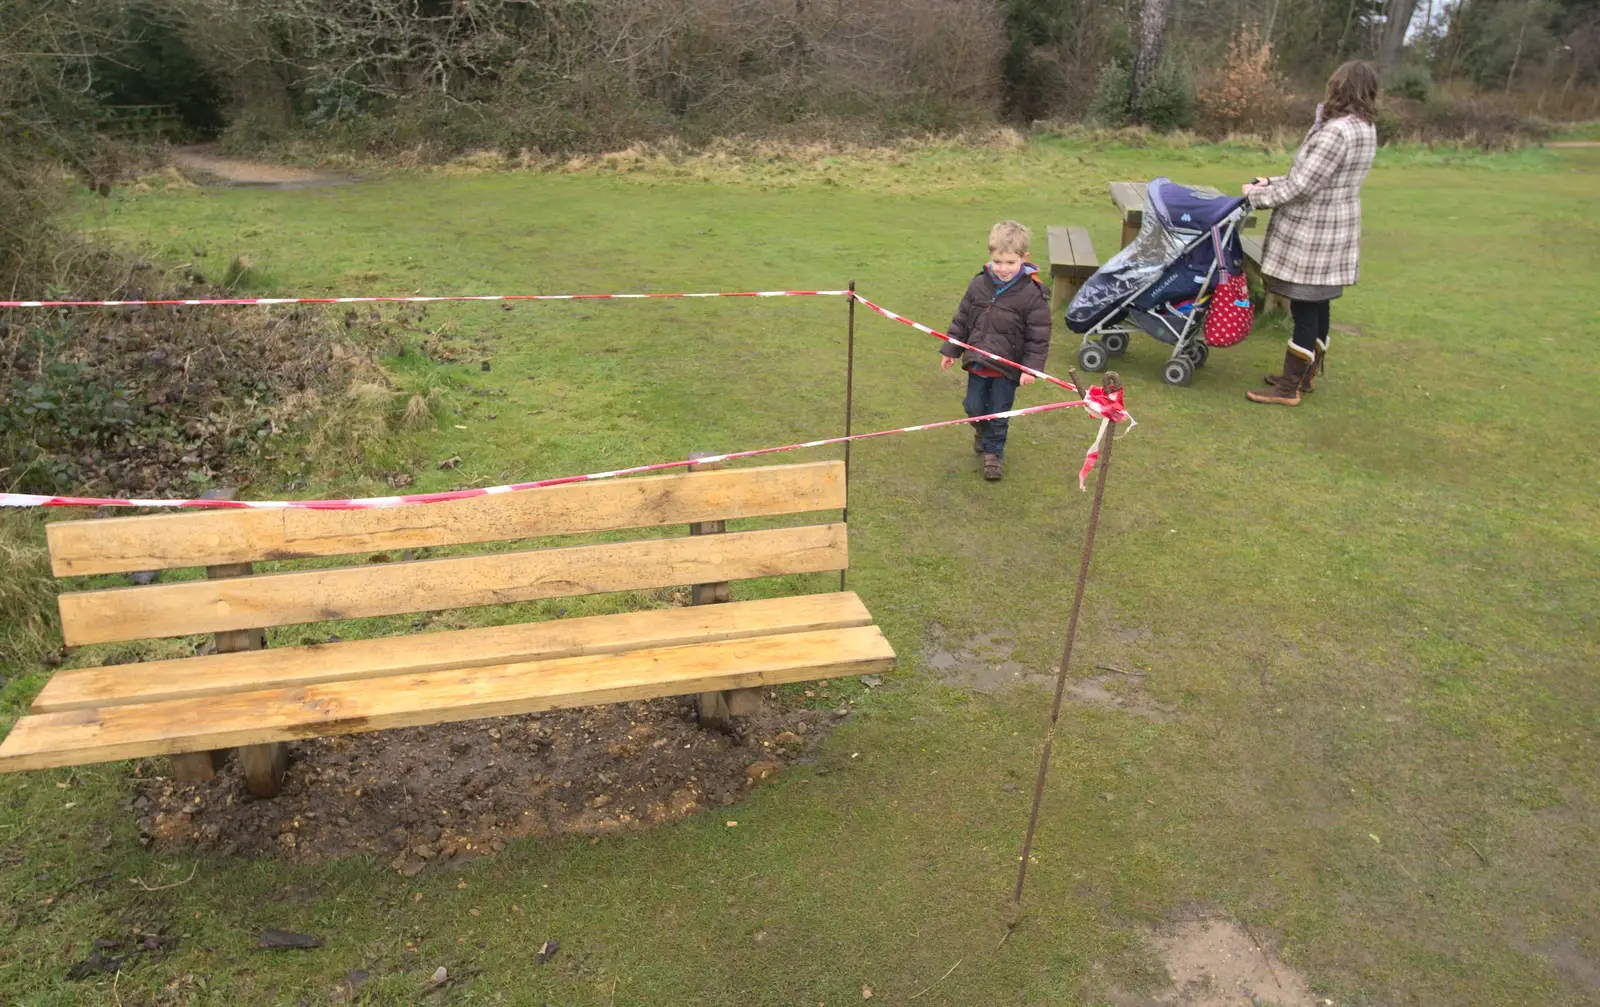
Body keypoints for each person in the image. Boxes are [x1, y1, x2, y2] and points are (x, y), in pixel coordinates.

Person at [1241, 60, 1379, 406]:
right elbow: (1316, 177)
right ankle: (1305, 374)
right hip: (1336, 224)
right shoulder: (1364, 127)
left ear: (1340, 89)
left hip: (1315, 230)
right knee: (1319, 303)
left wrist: (1256, 197)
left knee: (1304, 305)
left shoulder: (1336, 132)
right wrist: (1270, 181)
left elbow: (1302, 187)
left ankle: (1289, 387)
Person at [939, 220, 1052, 481]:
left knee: (1000, 411)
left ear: (1024, 259)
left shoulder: (1032, 294)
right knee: (973, 406)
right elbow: (962, 318)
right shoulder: (979, 284)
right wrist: (951, 350)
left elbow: (1039, 335)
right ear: (991, 256)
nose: (1003, 269)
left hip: (1007, 368)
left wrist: (1030, 369)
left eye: (1010, 263)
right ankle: (981, 429)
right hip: (978, 362)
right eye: (998, 262)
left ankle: (993, 454)